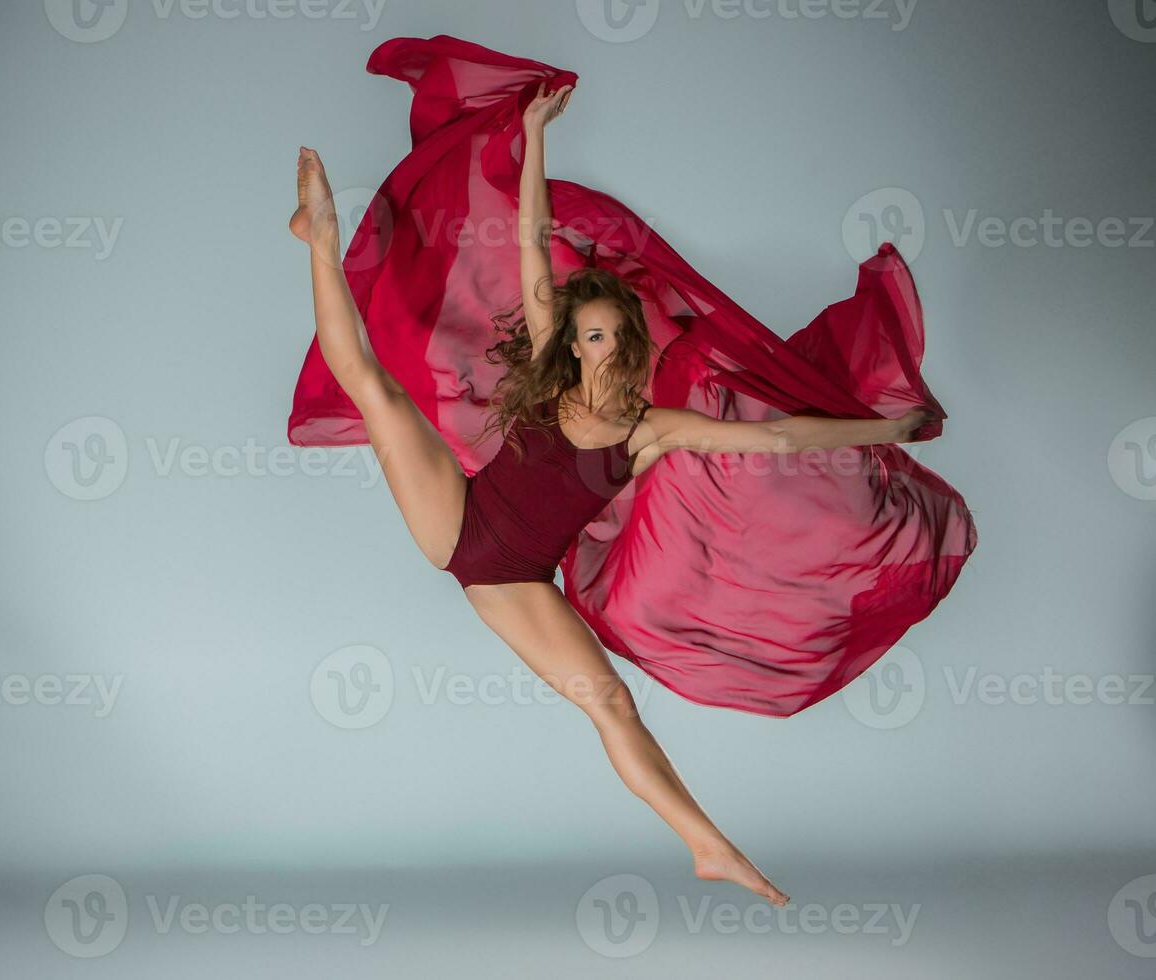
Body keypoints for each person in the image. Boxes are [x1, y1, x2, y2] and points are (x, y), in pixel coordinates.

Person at [289, 77, 935, 907]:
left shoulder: (650, 431)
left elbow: (776, 437)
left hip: (513, 579)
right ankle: (319, 235)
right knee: (375, 388)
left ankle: (706, 845)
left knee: (614, 705)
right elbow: (532, 242)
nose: (597, 343)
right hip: (460, 519)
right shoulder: (555, 360)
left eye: (609, 333)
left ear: (627, 342)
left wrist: (882, 433)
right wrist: (531, 134)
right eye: (586, 332)